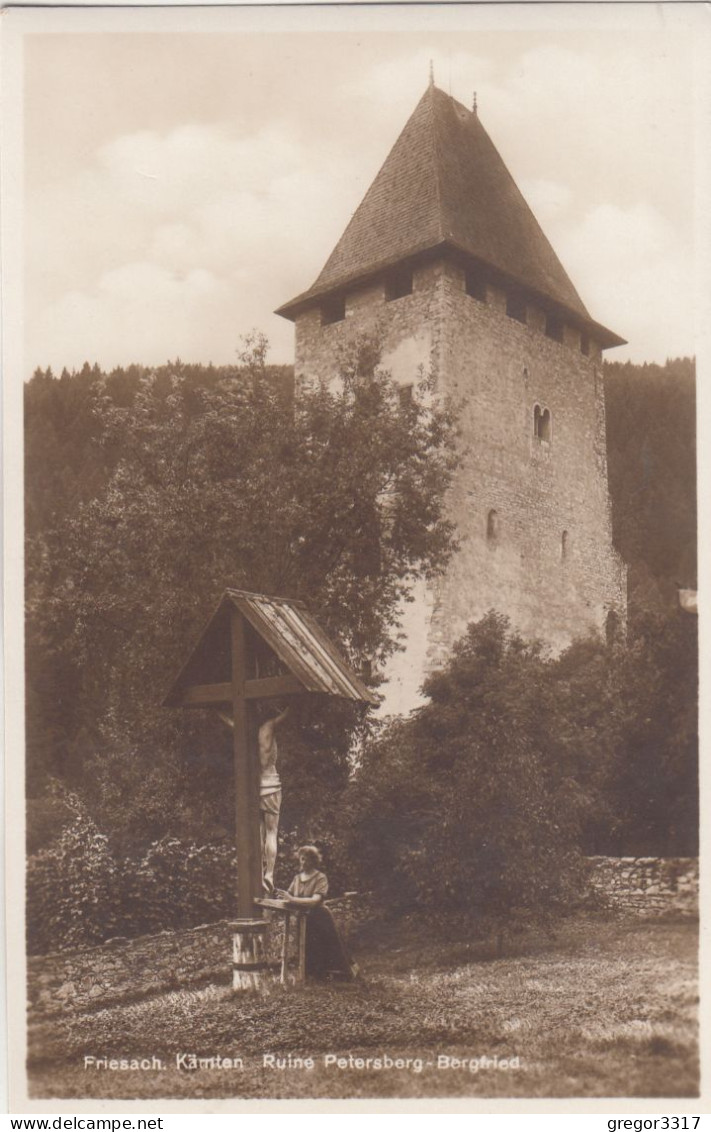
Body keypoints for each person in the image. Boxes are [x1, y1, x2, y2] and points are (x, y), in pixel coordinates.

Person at [277, 846, 360, 981]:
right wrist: (282, 898)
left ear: (313, 861)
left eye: (307, 859)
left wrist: (291, 899)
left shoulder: (321, 877)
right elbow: (289, 896)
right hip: (303, 918)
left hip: (320, 918)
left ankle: (341, 975)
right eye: (301, 859)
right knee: (307, 947)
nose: (303, 862)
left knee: (329, 945)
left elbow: (314, 901)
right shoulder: (297, 878)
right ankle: (313, 976)